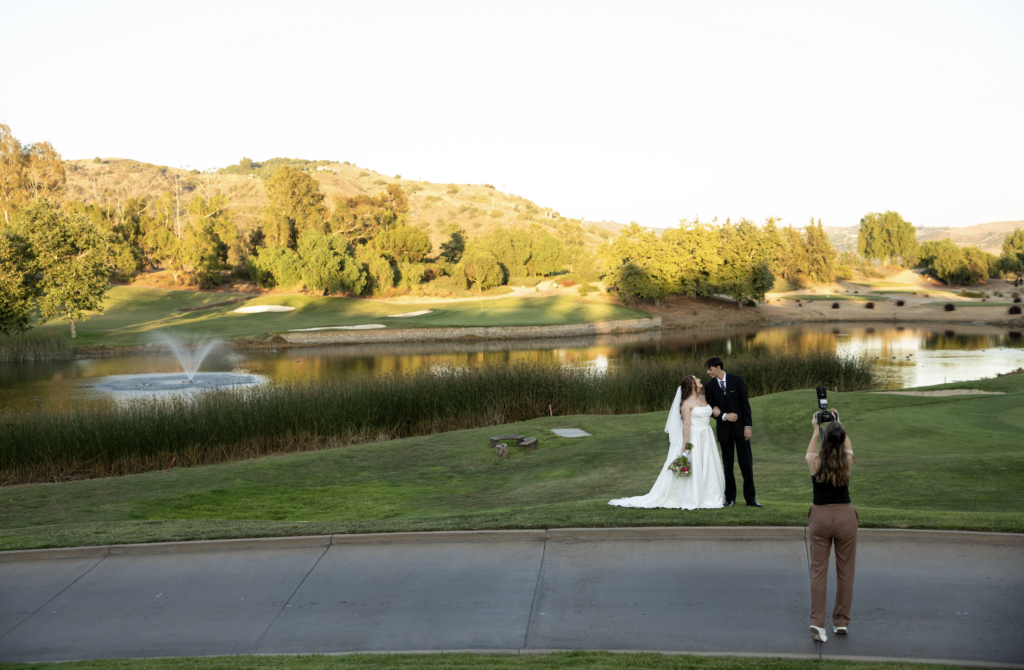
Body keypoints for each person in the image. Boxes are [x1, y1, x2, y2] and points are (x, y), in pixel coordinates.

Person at [609, 375, 725, 510]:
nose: (699, 379)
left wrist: (716, 407)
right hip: (694, 437)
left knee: (708, 464)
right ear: (692, 384)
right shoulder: (686, 403)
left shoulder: (704, 398)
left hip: (707, 436)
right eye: (696, 379)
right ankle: (691, 496)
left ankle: (710, 495)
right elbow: (686, 425)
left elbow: (712, 408)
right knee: (695, 465)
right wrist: (686, 446)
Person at [805, 411, 857, 643]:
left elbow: (809, 451)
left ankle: (817, 622)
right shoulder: (847, 461)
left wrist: (817, 429)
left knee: (818, 571)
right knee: (845, 571)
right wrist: (838, 423)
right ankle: (841, 622)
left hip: (820, 518)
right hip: (845, 517)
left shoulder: (815, 462)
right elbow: (848, 448)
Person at [703, 357, 761, 507]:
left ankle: (750, 498)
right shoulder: (709, 386)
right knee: (727, 466)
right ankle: (730, 498)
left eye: (710, 369)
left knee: (746, 464)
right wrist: (723, 415)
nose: (708, 372)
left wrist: (748, 426)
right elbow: (708, 409)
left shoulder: (737, 380)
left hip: (741, 429)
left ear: (718, 367)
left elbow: (745, 405)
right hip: (724, 431)